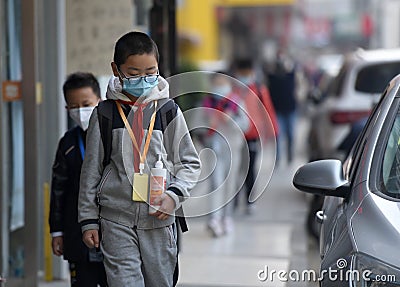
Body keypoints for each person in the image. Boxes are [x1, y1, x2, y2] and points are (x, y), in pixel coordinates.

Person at [78, 31, 201, 287]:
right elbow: (91, 171)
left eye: (150, 72)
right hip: (116, 220)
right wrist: (88, 219)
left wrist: (174, 195)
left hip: (159, 220)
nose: (143, 80)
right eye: (134, 74)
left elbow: (190, 162)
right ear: (116, 70)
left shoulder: (168, 111)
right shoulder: (105, 114)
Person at [49, 72, 108, 287]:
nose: (80, 111)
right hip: (77, 233)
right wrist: (57, 231)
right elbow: (58, 190)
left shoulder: (113, 136)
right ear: (67, 109)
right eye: (74, 106)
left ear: (99, 102)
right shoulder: (68, 143)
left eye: (86, 104)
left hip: (112, 233)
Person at [202, 72, 249, 237]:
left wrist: (232, 119)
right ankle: (214, 219)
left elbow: (246, 125)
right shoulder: (207, 103)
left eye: (222, 82)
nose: (219, 86)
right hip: (214, 150)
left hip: (233, 149)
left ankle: (226, 218)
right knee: (215, 184)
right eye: (216, 82)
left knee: (230, 185)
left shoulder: (236, 103)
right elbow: (198, 124)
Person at [233, 58, 278, 214]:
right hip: (234, 136)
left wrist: (273, 132)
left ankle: (249, 200)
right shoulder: (233, 89)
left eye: (247, 72)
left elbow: (268, 111)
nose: (245, 75)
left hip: (253, 136)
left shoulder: (259, 89)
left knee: (250, 168)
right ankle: (234, 199)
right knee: (234, 168)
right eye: (242, 72)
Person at [267, 51, 298, 165]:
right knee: (278, 135)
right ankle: (278, 158)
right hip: (277, 110)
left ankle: (290, 155)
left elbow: (293, 73)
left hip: (290, 108)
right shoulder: (272, 76)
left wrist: (288, 65)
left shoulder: (291, 75)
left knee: (290, 134)